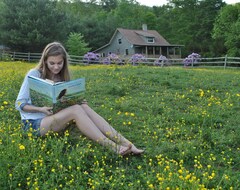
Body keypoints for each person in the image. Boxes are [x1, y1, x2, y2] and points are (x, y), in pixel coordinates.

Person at [15, 42, 144, 156]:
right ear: (45, 61)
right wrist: (41, 109)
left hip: (52, 119)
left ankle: (128, 144)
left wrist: (75, 100)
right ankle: (114, 147)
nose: (56, 67)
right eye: (52, 63)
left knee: (83, 106)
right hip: (33, 124)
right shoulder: (34, 74)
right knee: (76, 110)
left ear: (64, 61)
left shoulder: (62, 77)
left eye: (60, 63)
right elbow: (19, 103)